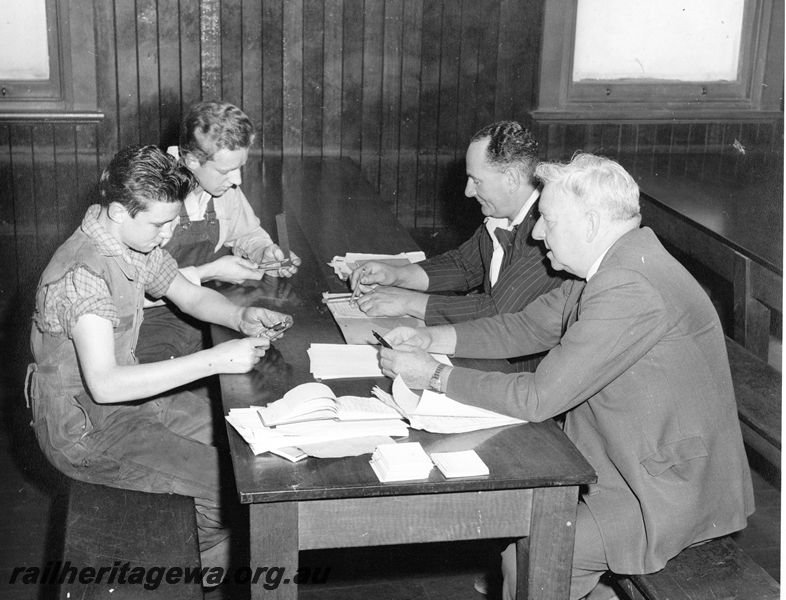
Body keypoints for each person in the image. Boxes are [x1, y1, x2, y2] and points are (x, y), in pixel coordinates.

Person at [378, 153, 754, 600]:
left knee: (534, 550)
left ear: (590, 223)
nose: (536, 233)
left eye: (548, 220)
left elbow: (538, 396)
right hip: (626, 456)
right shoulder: (613, 262)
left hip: (664, 489)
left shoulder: (628, 286)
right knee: (526, 534)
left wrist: (435, 376)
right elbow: (527, 325)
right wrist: (432, 339)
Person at [26, 145, 292, 582]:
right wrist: (215, 360)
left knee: (248, 430)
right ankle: (177, 574)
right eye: (161, 222)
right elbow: (106, 385)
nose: (168, 234)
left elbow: (188, 294)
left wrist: (240, 317)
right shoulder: (82, 273)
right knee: (233, 492)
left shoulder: (132, 241)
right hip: (85, 431)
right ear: (117, 211)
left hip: (129, 408)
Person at [349, 122, 562, 349]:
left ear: (511, 178)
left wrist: (408, 302)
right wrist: (396, 275)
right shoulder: (502, 214)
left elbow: (497, 313)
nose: (468, 191)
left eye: (477, 181)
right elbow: (463, 264)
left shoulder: (545, 232)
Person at [136, 100, 301, 363]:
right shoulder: (154, 195)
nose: (238, 180)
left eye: (240, 167)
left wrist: (264, 251)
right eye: (226, 170)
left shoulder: (220, 185)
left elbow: (247, 232)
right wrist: (213, 270)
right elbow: (133, 291)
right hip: (147, 319)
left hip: (202, 305)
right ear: (191, 160)